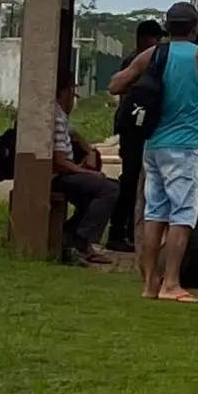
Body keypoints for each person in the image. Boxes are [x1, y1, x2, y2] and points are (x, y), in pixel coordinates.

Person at [109, 0, 198, 303]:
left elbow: (115, 85)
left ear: (167, 27)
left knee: (154, 212)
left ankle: (149, 284)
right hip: (184, 146)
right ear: (196, 27)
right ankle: (171, 283)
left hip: (152, 145)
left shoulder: (154, 54)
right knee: (182, 214)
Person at [107, 17, 164, 251]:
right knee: (131, 181)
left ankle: (129, 230)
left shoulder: (144, 61)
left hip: (138, 127)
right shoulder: (137, 62)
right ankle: (118, 232)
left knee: (140, 181)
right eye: (155, 38)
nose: (159, 43)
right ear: (144, 39)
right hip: (133, 128)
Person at [51, 72, 120, 265]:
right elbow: (58, 162)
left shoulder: (59, 116)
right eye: (72, 91)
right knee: (108, 189)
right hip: (57, 176)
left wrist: (88, 149)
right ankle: (81, 241)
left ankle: (70, 236)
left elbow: (71, 134)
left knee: (97, 194)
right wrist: (85, 172)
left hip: (65, 173)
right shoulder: (54, 117)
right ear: (64, 91)